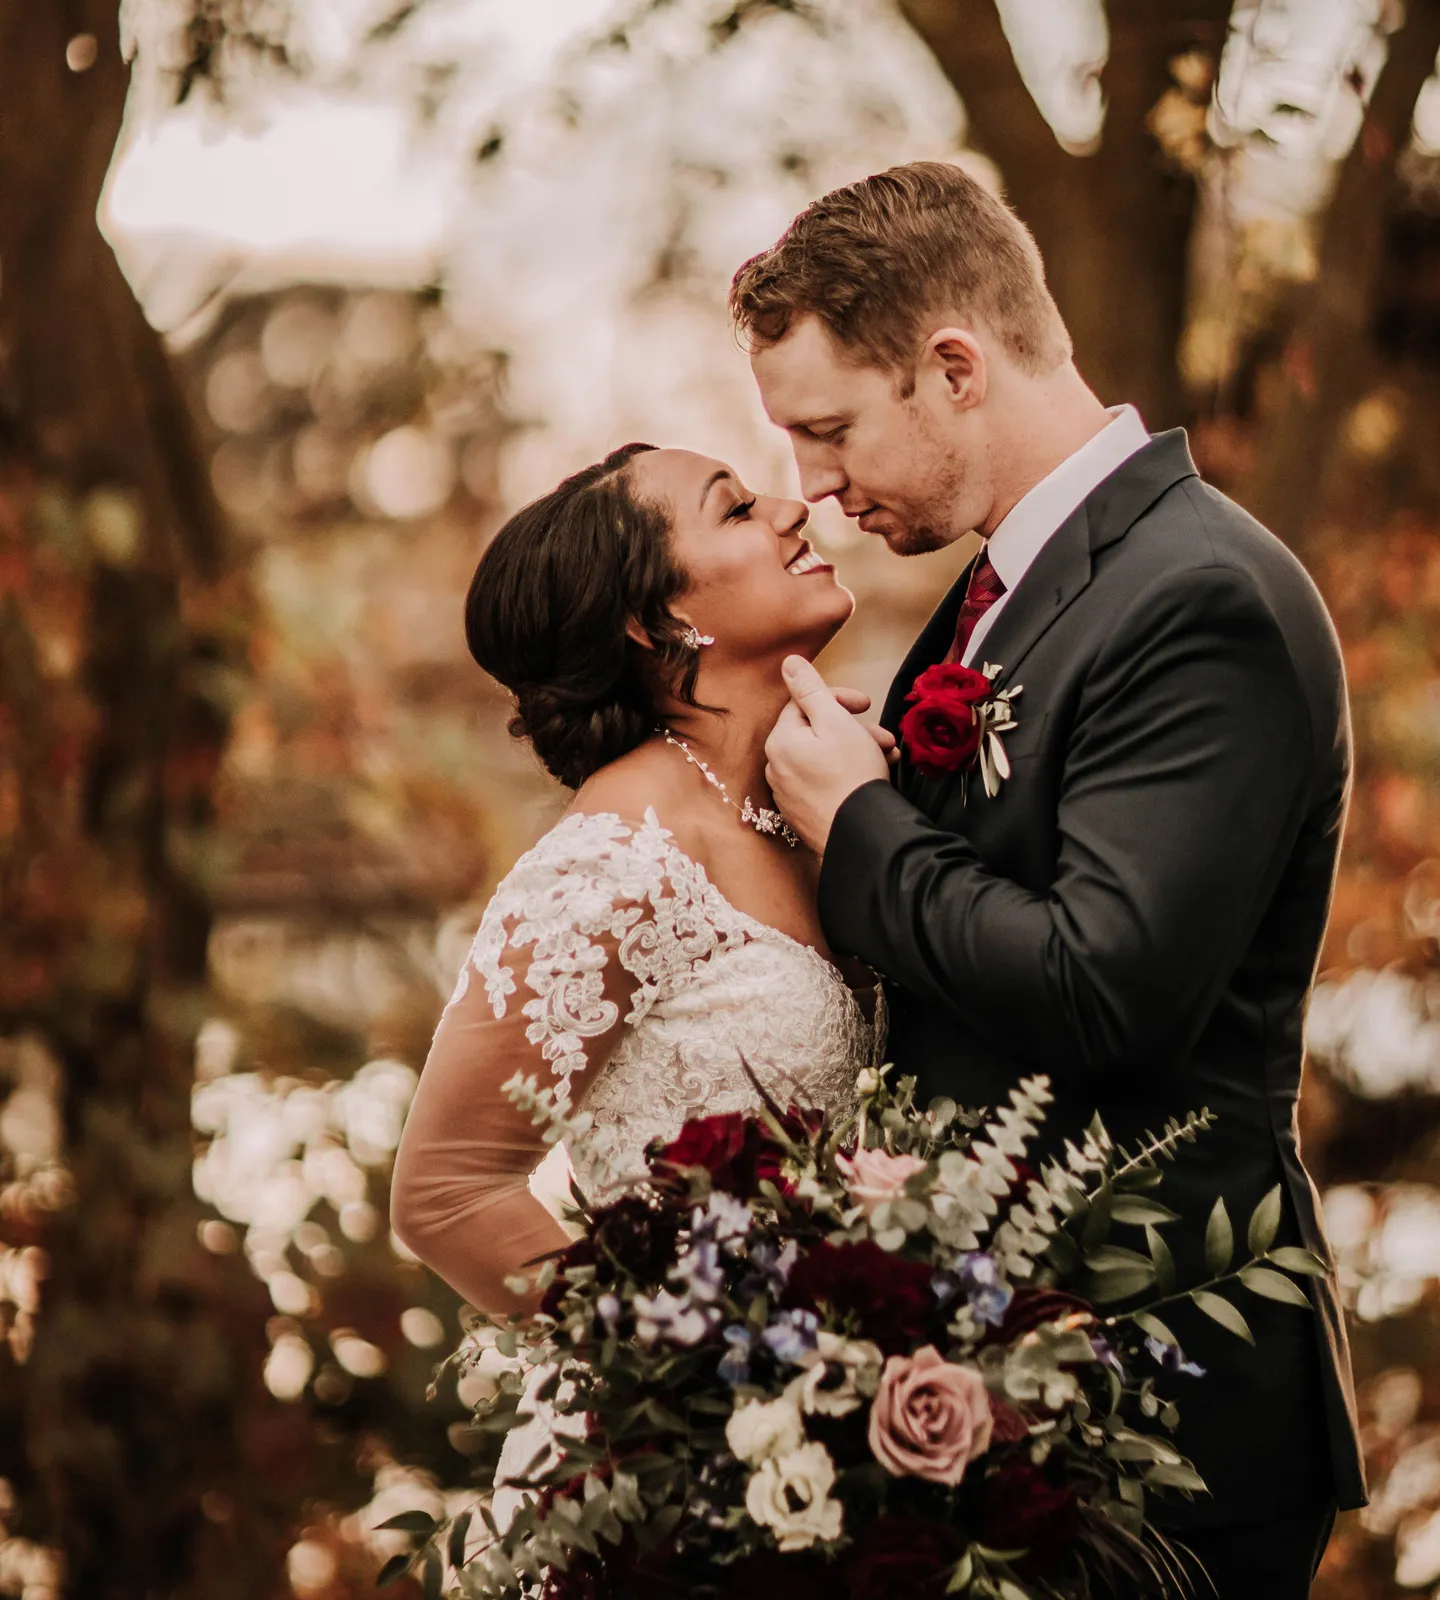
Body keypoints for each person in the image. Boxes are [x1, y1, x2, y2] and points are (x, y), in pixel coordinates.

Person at [745, 162, 1368, 1599]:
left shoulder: (1198, 594)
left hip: (1170, 1406)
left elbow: (1107, 987)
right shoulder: (1006, 588)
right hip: (1015, 1390)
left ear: (955, 367)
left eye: (829, 431)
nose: (813, 489)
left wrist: (863, 829)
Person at [389, 443, 883, 1491]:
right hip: (688, 1483)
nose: (795, 509)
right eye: (739, 508)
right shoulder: (616, 860)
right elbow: (443, 1191)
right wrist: (687, 1384)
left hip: (860, 1439)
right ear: (653, 621)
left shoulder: (817, 805)